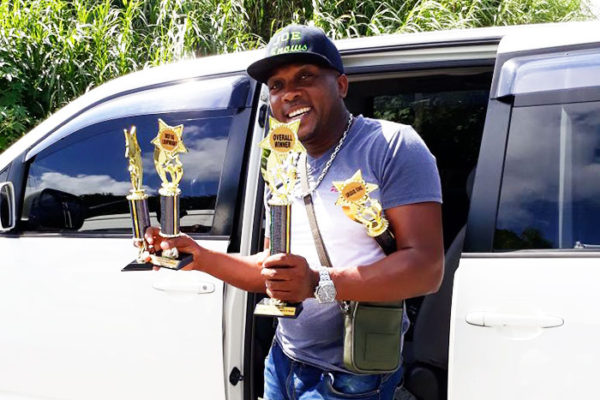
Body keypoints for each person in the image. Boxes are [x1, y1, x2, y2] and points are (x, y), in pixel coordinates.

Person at [144, 24, 444, 400]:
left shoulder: (391, 145)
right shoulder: (284, 162)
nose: (289, 93)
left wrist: (317, 283)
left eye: (305, 76)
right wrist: (198, 256)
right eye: (277, 85)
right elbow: (274, 269)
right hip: (283, 363)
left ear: (341, 85)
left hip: (352, 377)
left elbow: (426, 268)